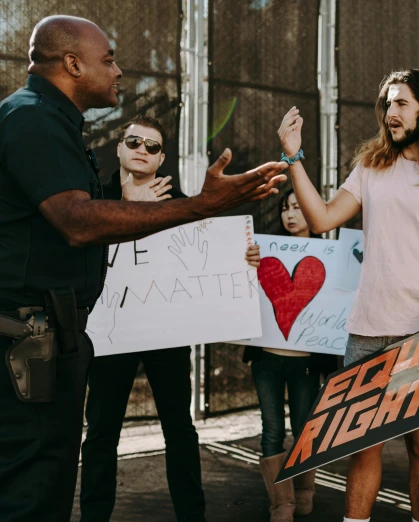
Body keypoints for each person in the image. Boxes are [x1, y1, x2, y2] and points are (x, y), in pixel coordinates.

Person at [0, 16, 286, 522]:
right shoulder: (32, 119)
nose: (118, 70)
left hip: (51, 335)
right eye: (108, 58)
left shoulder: (51, 122)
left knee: (46, 474)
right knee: (35, 481)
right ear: (72, 63)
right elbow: (76, 221)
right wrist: (200, 206)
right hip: (31, 336)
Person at [277, 69, 419, 522]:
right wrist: (293, 157)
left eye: (400, 104)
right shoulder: (372, 166)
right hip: (366, 328)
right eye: (387, 103)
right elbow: (322, 219)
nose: (390, 112)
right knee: (362, 446)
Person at [79, 115, 262, 522]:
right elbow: (80, 243)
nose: (142, 150)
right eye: (134, 142)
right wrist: (126, 208)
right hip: (111, 334)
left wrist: (243, 257)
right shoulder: (94, 196)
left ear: (162, 159)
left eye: (153, 146)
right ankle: (94, 517)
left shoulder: (183, 202)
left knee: (179, 428)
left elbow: (210, 255)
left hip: (166, 333)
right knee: (102, 432)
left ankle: (191, 516)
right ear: (120, 148)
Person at [242, 189, 326, 522]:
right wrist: (248, 262)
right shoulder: (264, 251)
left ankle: (304, 493)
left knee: (304, 427)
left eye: (298, 207)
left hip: (306, 362)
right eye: (284, 208)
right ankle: (282, 504)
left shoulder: (329, 255)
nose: (290, 214)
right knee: (271, 429)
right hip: (266, 359)